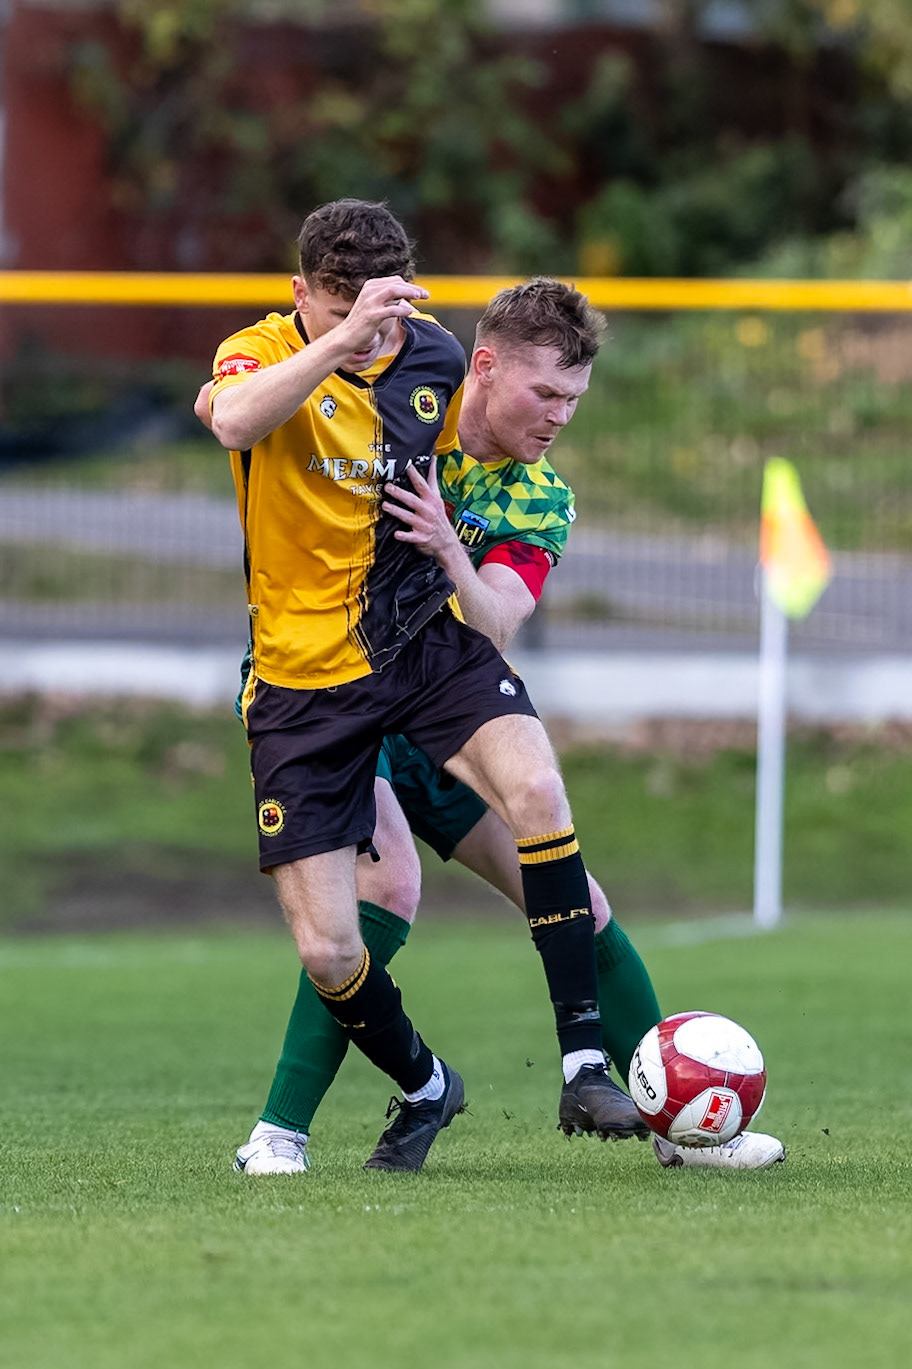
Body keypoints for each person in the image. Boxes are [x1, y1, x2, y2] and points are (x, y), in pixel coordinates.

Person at [201, 266, 785, 1175]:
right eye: (546, 391)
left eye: (576, 399)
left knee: (575, 897)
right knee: (381, 894)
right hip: (326, 696)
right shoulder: (398, 416)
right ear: (483, 366)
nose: (560, 416)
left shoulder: (536, 494)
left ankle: (674, 1124)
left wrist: (445, 548)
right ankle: (281, 1132)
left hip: (442, 708)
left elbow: (499, 621)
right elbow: (271, 433)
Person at [205, 198, 635, 1175]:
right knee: (330, 948)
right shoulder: (261, 352)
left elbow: (475, 469)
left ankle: (590, 1065)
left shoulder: (438, 360)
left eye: (388, 313)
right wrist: (339, 343)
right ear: (301, 296)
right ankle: (426, 1082)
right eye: (348, 311)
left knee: (538, 794)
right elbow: (232, 420)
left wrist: (457, 543)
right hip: (302, 684)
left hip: (417, 650)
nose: (377, 334)